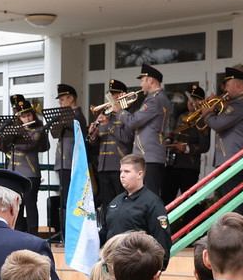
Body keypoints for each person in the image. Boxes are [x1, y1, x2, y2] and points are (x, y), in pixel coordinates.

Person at [206, 67, 243, 225]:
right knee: (234, 205)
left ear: (237, 85)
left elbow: (218, 123)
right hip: (236, 160)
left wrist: (207, 113)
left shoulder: (240, 103)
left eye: (228, 85)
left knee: (234, 207)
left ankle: (235, 236)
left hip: (233, 161)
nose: (225, 90)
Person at [99, 154, 172, 266]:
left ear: (139, 174)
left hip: (137, 268)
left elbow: (162, 238)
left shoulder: (152, 202)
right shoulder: (115, 201)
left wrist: (159, 267)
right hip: (112, 266)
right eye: (121, 171)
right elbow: (105, 233)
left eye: (127, 172)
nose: (122, 175)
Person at [0, 95, 47, 236]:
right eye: (23, 117)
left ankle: (33, 234)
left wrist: (14, 138)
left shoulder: (37, 130)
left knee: (30, 203)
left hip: (30, 172)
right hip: (14, 172)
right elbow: (6, 148)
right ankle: (17, 233)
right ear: (19, 118)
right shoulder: (14, 130)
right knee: (16, 204)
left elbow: (28, 146)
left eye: (29, 115)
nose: (27, 119)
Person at [117, 64, 171, 197]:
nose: (141, 85)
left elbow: (134, 121)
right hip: (152, 154)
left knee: (148, 196)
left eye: (142, 80)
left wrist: (119, 110)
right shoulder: (159, 98)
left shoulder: (153, 100)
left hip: (148, 155)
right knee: (145, 196)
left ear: (150, 80)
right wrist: (127, 107)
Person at [163, 84, 211, 232]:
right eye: (190, 99)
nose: (191, 102)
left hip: (189, 166)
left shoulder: (203, 119)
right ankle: (165, 230)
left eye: (195, 99)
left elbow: (205, 146)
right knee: (166, 198)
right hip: (173, 163)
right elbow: (175, 134)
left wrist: (186, 148)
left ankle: (190, 232)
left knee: (189, 200)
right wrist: (169, 141)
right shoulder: (181, 116)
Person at [49, 84, 90, 238]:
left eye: (62, 99)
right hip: (62, 162)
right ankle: (63, 231)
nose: (60, 102)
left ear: (71, 98)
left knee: (71, 199)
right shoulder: (63, 116)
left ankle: (70, 233)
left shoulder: (77, 115)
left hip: (71, 162)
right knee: (64, 198)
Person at [90, 79, 134, 209]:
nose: (111, 97)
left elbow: (127, 138)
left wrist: (109, 125)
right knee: (107, 204)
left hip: (119, 165)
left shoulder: (128, 114)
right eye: (110, 94)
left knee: (121, 202)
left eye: (114, 94)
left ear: (122, 95)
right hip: (103, 166)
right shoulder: (105, 114)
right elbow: (95, 142)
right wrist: (92, 135)